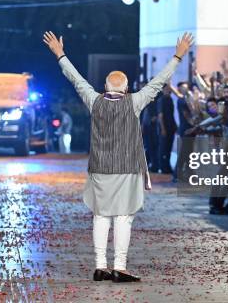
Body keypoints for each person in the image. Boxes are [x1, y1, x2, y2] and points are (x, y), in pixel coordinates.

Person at [43, 31, 193, 282]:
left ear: (105, 87)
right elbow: (158, 82)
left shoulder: (94, 101)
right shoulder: (134, 102)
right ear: (126, 88)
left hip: (100, 169)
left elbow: (76, 80)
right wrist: (178, 56)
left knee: (101, 215)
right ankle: (119, 267)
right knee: (123, 217)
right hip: (126, 169)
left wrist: (60, 54)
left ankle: (100, 265)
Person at [157, 84, 177, 174]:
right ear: (162, 90)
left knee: (168, 148)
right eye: (166, 88)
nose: (168, 90)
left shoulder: (170, 99)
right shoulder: (161, 100)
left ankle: (167, 167)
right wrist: (163, 129)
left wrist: (175, 126)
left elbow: (172, 114)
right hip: (164, 128)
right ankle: (162, 167)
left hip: (171, 127)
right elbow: (160, 116)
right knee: (163, 148)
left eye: (169, 88)